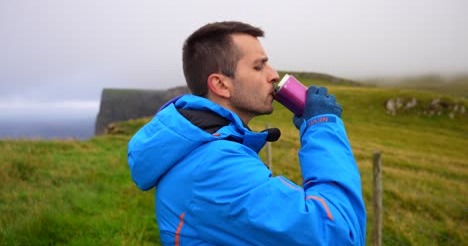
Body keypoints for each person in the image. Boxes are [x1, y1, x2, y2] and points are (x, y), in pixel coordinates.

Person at [128, 21, 366, 245]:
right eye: (258, 66)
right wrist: (322, 126)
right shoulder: (213, 168)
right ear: (221, 85)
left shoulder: (205, 152)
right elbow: (340, 233)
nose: (273, 74)